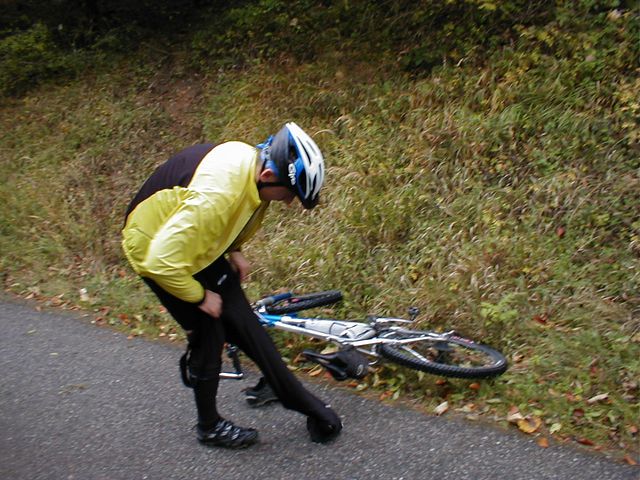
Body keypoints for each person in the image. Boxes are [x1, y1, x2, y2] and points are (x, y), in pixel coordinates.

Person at [121, 122, 342, 449]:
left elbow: (233, 215)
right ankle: (209, 427)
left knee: (244, 322)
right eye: (288, 194)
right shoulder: (218, 196)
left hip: (193, 244)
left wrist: (234, 249)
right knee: (210, 329)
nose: (288, 202)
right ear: (268, 175)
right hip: (156, 250)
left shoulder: (251, 164)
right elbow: (159, 261)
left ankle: (303, 402)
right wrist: (199, 297)